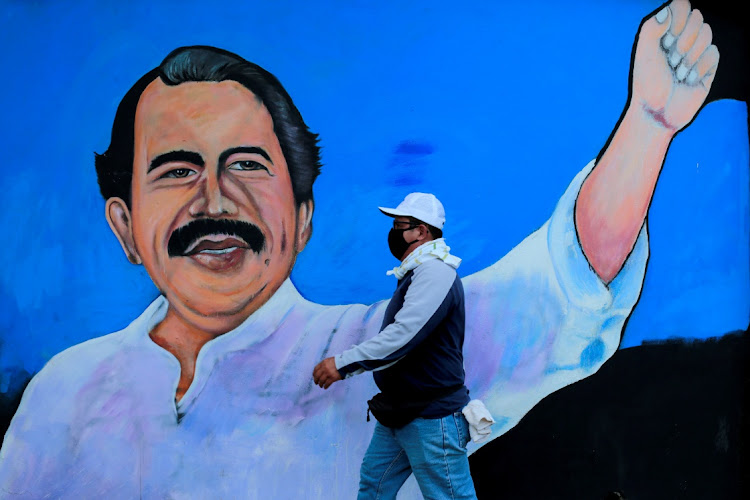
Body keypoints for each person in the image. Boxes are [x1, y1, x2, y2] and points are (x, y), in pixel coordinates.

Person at [0, 1, 719, 498]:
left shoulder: (387, 349)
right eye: (177, 169)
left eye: (248, 164)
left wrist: (649, 126)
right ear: (124, 224)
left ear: (303, 216)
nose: (214, 199)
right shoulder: (60, 399)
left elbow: (560, 293)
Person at [313, 192, 477, 498]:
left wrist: (342, 364)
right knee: (374, 487)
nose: (393, 233)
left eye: (400, 225)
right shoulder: (418, 271)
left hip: (432, 418)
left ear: (422, 231)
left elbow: (403, 337)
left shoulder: (435, 273)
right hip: (400, 411)